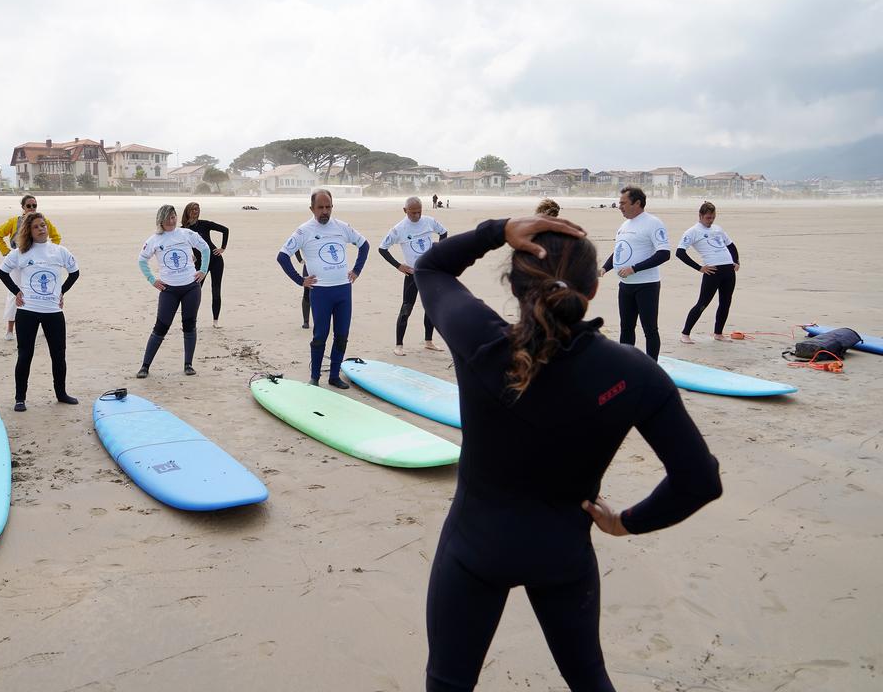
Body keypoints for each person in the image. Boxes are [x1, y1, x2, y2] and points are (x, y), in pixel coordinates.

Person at [416, 215, 722, 691]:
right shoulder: (633, 372)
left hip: (474, 550)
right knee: (588, 680)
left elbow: (431, 269)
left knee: (448, 683)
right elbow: (699, 479)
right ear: (593, 289)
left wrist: (497, 231)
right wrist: (627, 521)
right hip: (562, 556)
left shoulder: (481, 341)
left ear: (515, 285)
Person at [276, 189, 369, 388]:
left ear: (332, 207)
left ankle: (334, 376)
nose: (325, 211)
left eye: (328, 207)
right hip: (321, 292)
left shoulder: (342, 227)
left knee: (342, 334)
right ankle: (315, 377)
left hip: (344, 290)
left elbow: (364, 245)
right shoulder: (304, 231)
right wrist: (300, 280)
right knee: (320, 335)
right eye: (320, 207)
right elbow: (282, 256)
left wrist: (357, 270)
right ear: (312, 208)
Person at [0, 211, 80, 411]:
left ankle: (61, 393)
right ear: (29, 231)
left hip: (53, 312)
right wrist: (16, 291)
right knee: (25, 355)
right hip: (28, 311)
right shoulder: (20, 253)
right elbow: (2, 272)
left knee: (58, 355)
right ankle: (20, 398)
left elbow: (75, 273)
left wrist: (62, 292)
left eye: (43, 225)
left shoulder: (59, 251)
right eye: (36, 226)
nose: (41, 229)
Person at [136, 204, 211, 378]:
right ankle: (145, 366)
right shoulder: (154, 240)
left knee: (189, 325)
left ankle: (188, 364)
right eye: (169, 217)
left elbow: (205, 248)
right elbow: (142, 261)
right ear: (161, 220)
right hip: (169, 289)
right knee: (161, 327)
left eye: (174, 216)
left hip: (191, 287)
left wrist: (203, 269)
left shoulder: (185, 234)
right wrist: (152, 280)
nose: (173, 220)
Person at [599, 186, 670, 360]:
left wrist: (634, 268)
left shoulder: (653, 223)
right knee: (626, 328)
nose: (619, 206)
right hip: (625, 286)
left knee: (650, 329)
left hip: (647, 285)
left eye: (623, 203)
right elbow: (619, 250)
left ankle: (652, 366)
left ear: (637, 203)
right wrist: (605, 268)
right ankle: (627, 365)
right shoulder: (624, 225)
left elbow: (664, 254)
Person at [379, 196, 447, 355]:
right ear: (405, 210)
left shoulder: (429, 221)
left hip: (430, 272)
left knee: (431, 308)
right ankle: (399, 345)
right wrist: (399, 266)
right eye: (413, 213)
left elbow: (443, 232)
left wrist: (439, 249)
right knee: (406, 308)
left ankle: (429, 341)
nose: (416, 215)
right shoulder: (399, 229)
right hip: (412, 275)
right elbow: (382, 249)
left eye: (419, 212)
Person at [0, 195, 61, 340]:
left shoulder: (43, 221)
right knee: (14, 293)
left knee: (41, 291)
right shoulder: (14, 221)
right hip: (18, 260)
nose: (31, 208)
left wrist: (49, 253)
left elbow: (56, 237)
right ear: (23, 207)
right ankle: (10, 330)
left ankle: (43, 324)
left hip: (37, 262)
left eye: (34, 205)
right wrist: (6, 253)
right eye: (28, 206)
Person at [676, 201, 741, 343]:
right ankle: (685, 334)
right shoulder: (692, 232)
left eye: (713, 217)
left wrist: (736, 261)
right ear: (700, 216)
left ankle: (718, 333)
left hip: (729, 271)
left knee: (725, 302)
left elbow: (731, 245)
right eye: (708, 218)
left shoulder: (718, 229)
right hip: (712, 272)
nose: (711, 221)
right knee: (702, 303)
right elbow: (680, 253)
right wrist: (699, 268)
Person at [180, 201, 229, 326]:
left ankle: (215, 322)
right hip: (200, 262)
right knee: (195, 291)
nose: (195, 211)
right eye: (193, 209)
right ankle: (191, 321)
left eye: (197, 209)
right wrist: (189, 254)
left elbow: (225, 230)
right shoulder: (183, 229)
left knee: (216, 290)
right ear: (187, 211)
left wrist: (222, 248)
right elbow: (180, 244)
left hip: (216, 260)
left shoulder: (205, 224)